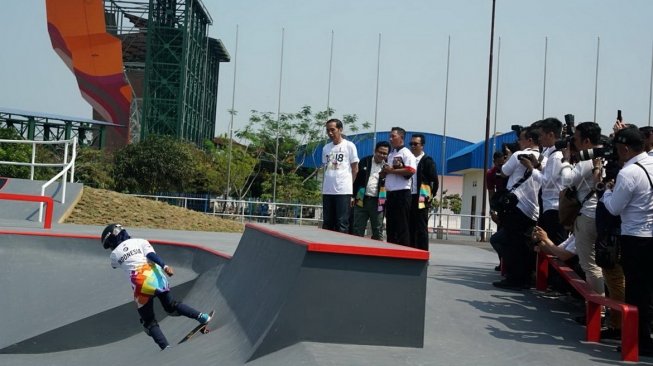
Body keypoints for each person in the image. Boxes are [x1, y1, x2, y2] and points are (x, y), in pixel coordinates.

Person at [101, 224, 212, 350]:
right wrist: (165, 266)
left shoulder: (114, 256)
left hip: (141, 284)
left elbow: (115, 265)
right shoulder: (141, 241)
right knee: (172, 306)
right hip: (157, 277)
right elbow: (152, 256)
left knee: (149, 322)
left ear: (112, 240)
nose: (110, 248)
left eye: (109, 245)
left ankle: (166, 347)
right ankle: (202, 317)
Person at [600, 127, 653, 356]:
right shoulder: (651, 163)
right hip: (651, 236)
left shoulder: (629, 172)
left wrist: (606, 192)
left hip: (635, 238)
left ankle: (638, 341)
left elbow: (614, 208)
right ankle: (647, 337)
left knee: (636, 293)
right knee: (649, 292)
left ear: (624, 149)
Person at [492, 126, 541, 290]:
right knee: (526, 245)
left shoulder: (518, 155)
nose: (518, 142)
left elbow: (504, 172)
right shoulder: (543, 158)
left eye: (521, 139)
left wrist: (508, 158)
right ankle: (526, 278)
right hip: (534, 207)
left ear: (529, 140)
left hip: (517, 205)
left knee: (512, 243)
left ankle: (514, 278)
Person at [560, 122, 604, 298]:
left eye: (576, 139)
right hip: (601, 213)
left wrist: (565, 160)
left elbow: (567, 180)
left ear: (586, 141)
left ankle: (597, 311)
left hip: (588, 215)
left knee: (589, 265)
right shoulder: (608, 155)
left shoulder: (588, 158)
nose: (573, 142)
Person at [533, 118, 567, 245]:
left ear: (551, 135)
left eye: (541, 135)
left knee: (554, 245)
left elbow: (546, 182)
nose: (540, 139)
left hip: (554, 208)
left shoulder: (556, 156)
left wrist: (531, 169)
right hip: (551, 207)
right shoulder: (553, 155)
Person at [322, 118, 359, 233]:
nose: (330, 133)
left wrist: (349, 185)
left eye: (333, 130)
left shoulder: (349, 146)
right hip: (328, 190)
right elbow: (325, 167)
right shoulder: (326, 148)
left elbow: (355, 169)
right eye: (328, 130)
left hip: (343, 191)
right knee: (327, 222)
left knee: (342, 222)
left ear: (340, 129)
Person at [383, 127, 417, 246]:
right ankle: (391, 251)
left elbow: (411, 170)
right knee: (390, 225)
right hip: (391, 193)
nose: (390, 139)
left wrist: (391, 170)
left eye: (393, 136)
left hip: (402, 193)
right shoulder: (392, 153)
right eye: (390, 136)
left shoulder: (406, 153)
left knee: (401, 226)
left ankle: (404, 253)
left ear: (401, 138)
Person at [352, 141, 390, 240]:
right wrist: (352, 196)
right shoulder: (365, 161)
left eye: (385, 153)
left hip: (378, 202)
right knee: (357, 229)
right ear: (375, 151)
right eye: (380, 152)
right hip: (361, 199)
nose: (382, 155)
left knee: (378, 230)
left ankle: (377, 254)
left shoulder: (388, 166)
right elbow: (356, 180)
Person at [408, 133, 438, 250]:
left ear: (422, 145)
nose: (413, 146)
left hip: (421, 198)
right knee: (409, 226)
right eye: (411, 144)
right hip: (408, 196)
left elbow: (434, 182)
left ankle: (422, 253)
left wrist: (429, 197)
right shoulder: (407, 159)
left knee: (421, 227)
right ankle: (410, 252)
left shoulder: (427, 161)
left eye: (416, 144)